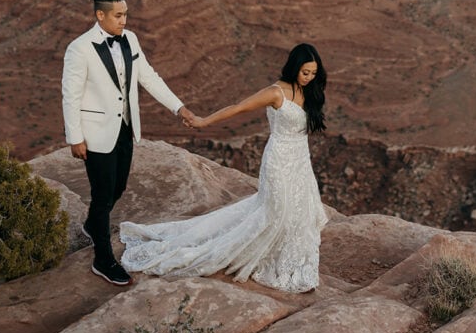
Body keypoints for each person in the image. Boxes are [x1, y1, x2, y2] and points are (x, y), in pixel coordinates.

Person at [120, 43, 329, 293]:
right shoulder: (275, 93)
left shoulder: (310, 91)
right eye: (305, 72)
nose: (309, 77)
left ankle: (289, 260)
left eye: (313, 73)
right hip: (279, 160)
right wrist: (203, 122)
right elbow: (238, 108)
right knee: (276, 211)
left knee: (299, 212)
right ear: (294, 67)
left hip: (301, 159)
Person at [61, 0, 194, 286]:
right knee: (102, 194)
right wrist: (75, 137)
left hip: (125, 127)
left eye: (125, 15)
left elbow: (149, 77)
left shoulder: (130, 39)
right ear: (100, 15)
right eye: (118, 16)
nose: (124, 21)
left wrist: (179, 108)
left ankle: (92, 225)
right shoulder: (79, 48)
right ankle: (103, 260)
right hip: (96, 133)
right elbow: (70, 96)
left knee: (118, 187)